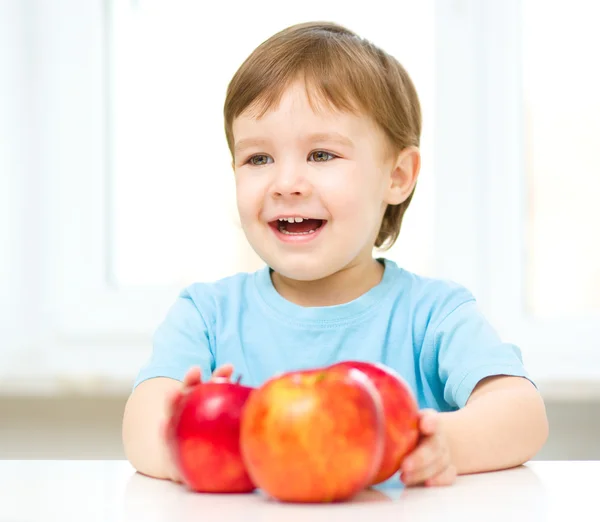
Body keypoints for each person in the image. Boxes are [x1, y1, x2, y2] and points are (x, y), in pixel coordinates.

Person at [122, 21, 548, 488]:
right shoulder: (206, 315)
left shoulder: (433, 315)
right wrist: (197, 435)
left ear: (398, 176)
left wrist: (448, 441)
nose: (286, 183)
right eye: (258, 159)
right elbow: (141, 427)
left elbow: (523, 414)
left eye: (322, 155)